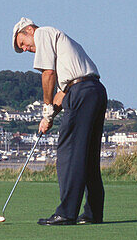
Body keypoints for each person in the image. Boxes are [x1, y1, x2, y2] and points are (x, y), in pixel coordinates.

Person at [12, 17, 107, 225]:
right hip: (94, 91)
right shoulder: (61, 48)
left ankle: (66, 213)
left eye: (23, 43)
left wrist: (46, 106)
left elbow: (48, 74)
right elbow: (62, 92)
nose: (26, 49)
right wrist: (49, 116)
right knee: (88, 155)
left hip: (81, 92)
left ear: (28, 30)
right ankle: (93, 213)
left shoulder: (43, 33)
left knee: (70, 152)